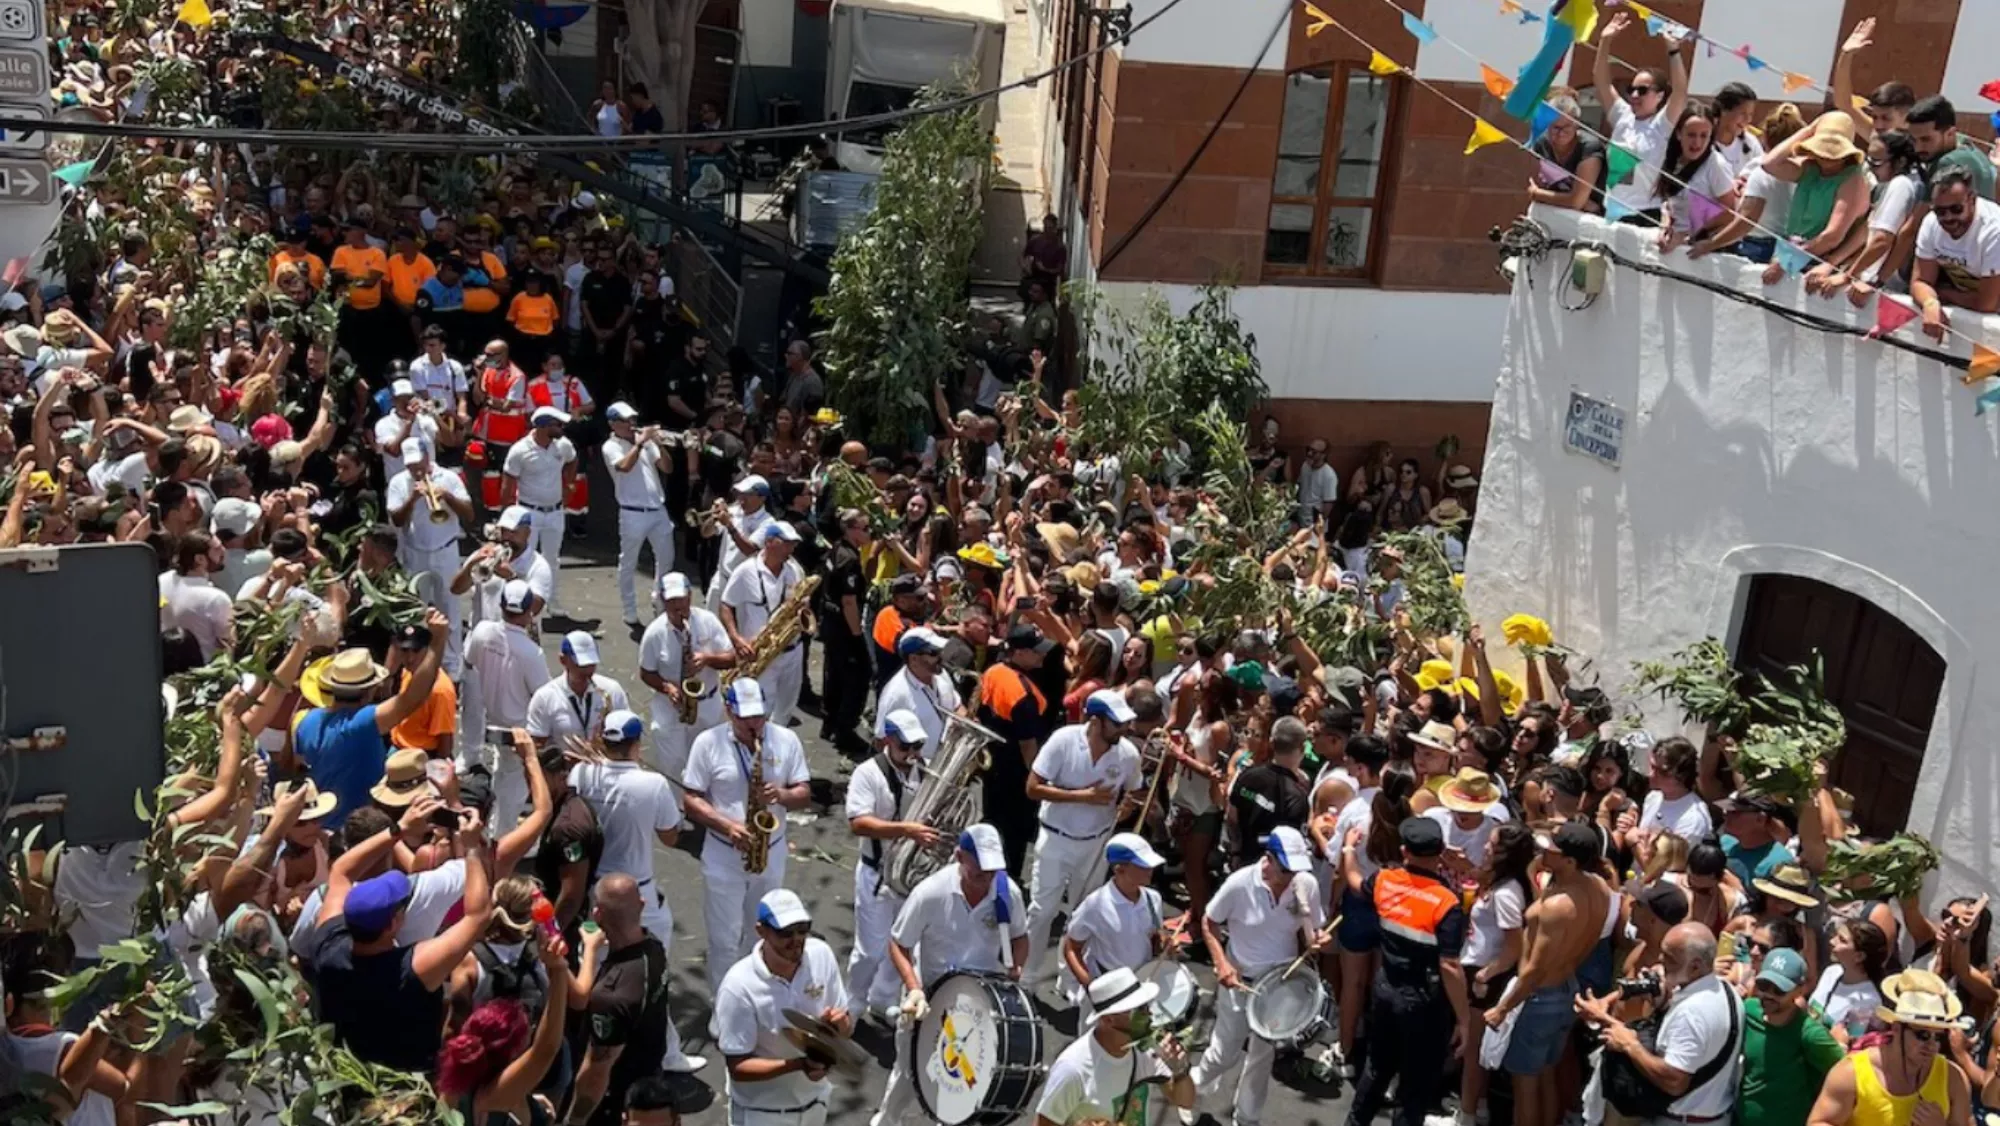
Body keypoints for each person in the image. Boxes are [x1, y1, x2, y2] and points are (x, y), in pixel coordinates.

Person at [308, 807, 493, 1070]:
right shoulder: (412, 970)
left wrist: (398, 829)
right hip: (403, 1084)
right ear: (393, 924)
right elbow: (478, 915)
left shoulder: (327, 943)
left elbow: (340, 871)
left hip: (343, 1071)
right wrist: (472, 848)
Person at [872, 824, 1029, 1126]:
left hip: (979, 1001)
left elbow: (1020, 937)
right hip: (930, 996)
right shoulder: (930, 892)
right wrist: (914, 988)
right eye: (979, 871)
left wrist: (1016, 967)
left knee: (967, 1080)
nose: (987, 879)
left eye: (992, 871)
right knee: (909, 1073)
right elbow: (899, 943)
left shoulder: (1007, 893)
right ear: (959, 857)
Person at [1188, 826, 1327, 1126]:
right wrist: (1222, 963)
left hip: (1279, 987)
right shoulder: (1239, 884)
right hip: (1241, 984)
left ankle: (1247, 1119)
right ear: (1269, 860)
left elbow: (1314, 930)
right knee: (1225, 1053)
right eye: (1286, 869)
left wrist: (1317, 940)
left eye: (1296, 870)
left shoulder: (1306, 884)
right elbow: (1209, 921)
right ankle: (1192, 1089)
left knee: (1261, 1058)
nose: (1291, 877)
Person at [1342, 816, 1468, 1126]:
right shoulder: (1447, 903)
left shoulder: (1384, 881)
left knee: (1376, 1069)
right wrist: (1464, 1019)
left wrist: (1348, 850)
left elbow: (1355, 882)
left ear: (1404, 851)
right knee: (1415, 1086)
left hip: (1385, 989)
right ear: (1440, 852)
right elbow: (1450, 966)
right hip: (1425, 1003)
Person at [1486, 821, 1612, 1126]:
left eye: (1551, 851)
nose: (1542, 852)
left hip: (1538, 996)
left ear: (1569, 861)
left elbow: (1536, 968)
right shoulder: (1599, 887)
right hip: (1566, 988)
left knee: (1525, 1085)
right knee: (1545, 1074)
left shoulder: (1558, 907)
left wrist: (1503, 1008)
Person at [684, 680, 812, 970]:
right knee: (724, 940)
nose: (754, 724)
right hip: (724, 852)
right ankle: (723, 996)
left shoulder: (786, 740)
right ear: (729, 711)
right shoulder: (707, 743)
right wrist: (727, 826)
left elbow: (804, 793)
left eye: (759, 715)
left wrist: (781, 795)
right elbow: (691, 798)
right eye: (745, 717)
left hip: (770, 851)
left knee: (763, 936)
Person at [1023, 689, 1144, 985]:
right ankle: (1028, 973)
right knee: (1042, 910)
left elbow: (1135, 791)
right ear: (1096, 721)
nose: (1124, 729)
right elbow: (1033, 788)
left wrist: (1129, 806)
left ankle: (1070, 978)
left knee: (1083, 912)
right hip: (1055, 839)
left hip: (1096, 843)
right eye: (1117, 723)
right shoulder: (1063, 741)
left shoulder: (1128, 753)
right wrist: (1083, 797)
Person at [1576, 922, 1745, 1126]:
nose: (1660, 960)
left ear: (1695, 967)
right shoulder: (1726, 990)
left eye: (1670, 958)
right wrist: (1660, 1004)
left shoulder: (1693, 1013)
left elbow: (1674, 1081)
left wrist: (1630, 1045)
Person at [713, 889, 853, 1126]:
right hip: (763, 1113)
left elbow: (845, 1027)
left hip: (816, 1102)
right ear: (761, 931)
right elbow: (738, 1066)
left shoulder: (821, 955)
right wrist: (798, 1065)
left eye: (802, 929)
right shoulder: (738, 986)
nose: (796, 939)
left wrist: (841, 1025)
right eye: (785, 933)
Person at [294, 622, 447, 830]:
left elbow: (294, 767)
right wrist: (436, 643)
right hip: (360, 829)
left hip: (320, 825)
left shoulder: (304, 720)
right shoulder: (363, 723)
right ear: (368, 691)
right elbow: (413, 698)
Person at [570, 874, 684, 1126]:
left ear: (597, 915)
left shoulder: (611, 995)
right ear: (641, 905)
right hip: (649, 1081)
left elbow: (596, 1073)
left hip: (615, 1101)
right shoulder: (653, 948)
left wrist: (574, 1120)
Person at [845, 709, 937, 1019]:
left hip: (911, 875)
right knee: (870, 949)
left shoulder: (925, 770)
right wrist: (906, 830)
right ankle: (853, 1002)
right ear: (887, 741)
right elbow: (858, 823)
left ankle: (883, 999)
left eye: (917, 746)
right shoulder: (867, 773)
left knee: (901, 944)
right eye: (904, 746)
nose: (912, 753)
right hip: (877, 874)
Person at [1033, 966, 1197, 1126]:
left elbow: (1184, 1101)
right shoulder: (1072, 1070)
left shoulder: (1147, 1050)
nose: (1149, 1013)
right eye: (1139, 1009)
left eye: (1146, 1005)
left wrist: (1179, 1070)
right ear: (1108, 1020)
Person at [1808, 968, 1973, 1126]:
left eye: (1938, 1037)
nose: (1931, 1045)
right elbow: (1818, 1122)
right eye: (1922, 1035)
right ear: (1896, 1028)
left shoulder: (1953, 1078)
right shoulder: (1852, 1074)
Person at [462, 580, 551, 834]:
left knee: (502, 775)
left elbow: (469, 660)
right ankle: (502, 838)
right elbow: (544, 695)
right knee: (514, 790)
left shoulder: (482, 631)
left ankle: (494, 827)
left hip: (492, 719)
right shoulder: (531, 652)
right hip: (520, 730)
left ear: (501, 607)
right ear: (528, 612)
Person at [1595, 13, 1691, 226]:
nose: (1635, 95)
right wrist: (1605, 41)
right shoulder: (1622, 116)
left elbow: (1680, 93)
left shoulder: (1661, 126)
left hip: (1644, 215)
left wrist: (1673, 51)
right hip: (1610, 211)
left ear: (1659, 96)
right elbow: (1602, 82)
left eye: (1643, 90)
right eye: (1632, 89)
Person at [638, 571, 735, 776]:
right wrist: (667, 687)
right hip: (670, 708)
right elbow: (646, 673)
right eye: (671, 601)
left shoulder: (708, 621)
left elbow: (732, 658)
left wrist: (707, 659)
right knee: (673, 767)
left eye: (681, 599)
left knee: (709, 766)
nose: (677, 607)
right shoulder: (654, 633)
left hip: (708, 705)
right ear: (663, 600)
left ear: (690, 596)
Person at [1740, 947, 1846, 1126]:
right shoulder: (1748, 1010)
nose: (1768, 995)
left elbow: (1845, 1073)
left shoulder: (1810, 1035)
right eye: (1764, 985)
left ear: (1799, 991)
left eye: (1779, 990)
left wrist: (1841, 1045)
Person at [720, 522, 812, 726]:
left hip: (792, 650)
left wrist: (801, 610)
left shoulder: (794, 570)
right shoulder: (745, 571)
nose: (791, 548)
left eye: (793, 544)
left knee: (786, 708)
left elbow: (803, 605)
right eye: (786, 543)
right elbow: (726, 605)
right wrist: (736, 639)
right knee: (761, 709)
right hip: (761, 653)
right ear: (769, 542)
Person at [603, 403, 675, 631]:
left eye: (632, 419)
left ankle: (659, 599)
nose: (631, 424)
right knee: (629, 562)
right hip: (632, 512)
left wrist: (659, 444)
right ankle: (629, 609)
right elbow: (624, 467)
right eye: (625, 420)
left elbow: (667, 468)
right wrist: (641, 443)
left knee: (666, 558)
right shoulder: (610, 446)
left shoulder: (645, 442)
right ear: (613, 424)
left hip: (658, 510)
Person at [502, 406, 577, 617]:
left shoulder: (563, 445)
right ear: (544, 426)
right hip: (528, 513)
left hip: (555, 512)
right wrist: (507, 518)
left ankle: (551, 601)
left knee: (552, 559)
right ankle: (520, 602)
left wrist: (569, 485)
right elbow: (508, 484)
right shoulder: (519, 450)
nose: (562, 428)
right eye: (557, 424)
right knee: (524, 559)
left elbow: (572, 460)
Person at [1912, 166, 2000, 341]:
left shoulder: (1993, 230)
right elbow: (1920, 281)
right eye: (1940, 211)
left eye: (1956, 209)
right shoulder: (1930, 223)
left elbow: (1987, 303)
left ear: (1972, 200)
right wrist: (1930, 303)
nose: (1948, 217)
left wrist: (1942, 294)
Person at [818, 508, 875, 759]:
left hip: (830, 621)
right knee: (857, 676)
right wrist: (857, 635)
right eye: (865, 528)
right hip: (843, 624)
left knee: (834, 672)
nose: (869, 533)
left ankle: (829, 721)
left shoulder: (837, 549)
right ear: (851, 530)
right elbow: (849, 601)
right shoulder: (849, 559)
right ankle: (845, 730)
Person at [525, 630, 631, 751]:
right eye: (580, 665)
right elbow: (536, 745)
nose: (587, 671)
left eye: (592, 664)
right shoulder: (545, 697)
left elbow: (630, 736)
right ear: (563, 660)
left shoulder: (611, 690)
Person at [1526, 91, 1605, 214]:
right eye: (1556, 127)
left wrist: (1538, 194)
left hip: (1592, 218)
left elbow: (1576, 202)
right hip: (1553, 212)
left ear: (1576, 124)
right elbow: (1533, 184)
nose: (1561, 133)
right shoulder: (1541, 144)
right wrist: (1576, 200)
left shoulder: (1589, 147)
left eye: (1567, 126)